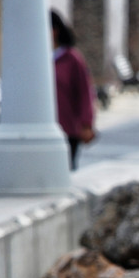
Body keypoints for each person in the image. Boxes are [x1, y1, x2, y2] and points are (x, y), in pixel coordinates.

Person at [50, 10, 95, 170]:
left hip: (68, 128)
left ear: (54, 30)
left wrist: (86, 123)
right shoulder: (38, 59)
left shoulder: (71, 59)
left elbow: (85, 92)